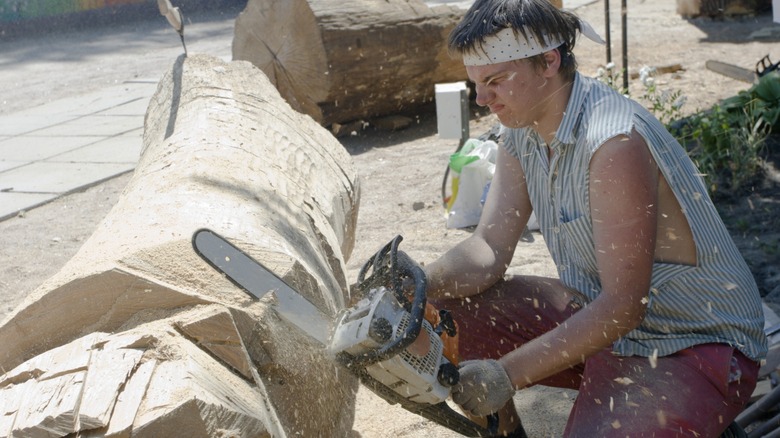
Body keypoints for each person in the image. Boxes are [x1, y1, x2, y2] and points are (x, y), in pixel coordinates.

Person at [421, 0, 768, 436]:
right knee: (440, 314)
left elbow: (624, 307)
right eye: (476, 83)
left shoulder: (612, 141)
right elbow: (488, 249)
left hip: (689, 340)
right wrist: (418, 282)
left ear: (548, 61)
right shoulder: (522, 131)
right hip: (603, 319)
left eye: (495, 81)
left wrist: (505, 374)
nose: (483, 98)